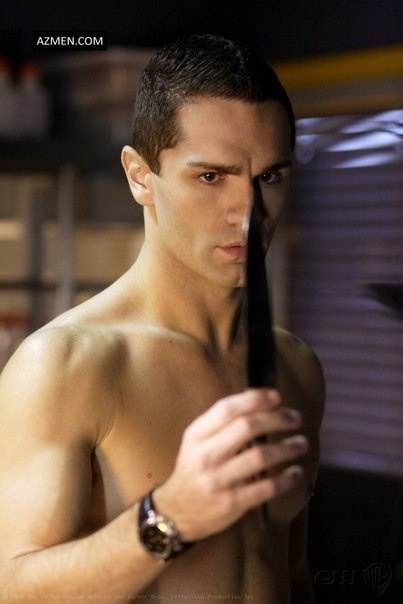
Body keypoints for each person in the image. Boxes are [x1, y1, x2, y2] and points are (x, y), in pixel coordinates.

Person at [0, 34, 325, 603]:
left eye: (269, 177)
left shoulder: (295, 366)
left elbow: (291, 572)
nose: (247, 213)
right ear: (138, 176)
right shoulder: (64, 363)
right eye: (211, 177)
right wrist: (169, 516)